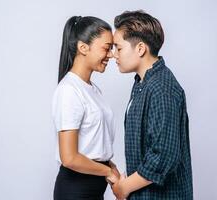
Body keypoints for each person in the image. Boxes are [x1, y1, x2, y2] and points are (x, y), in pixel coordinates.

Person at [111, 10, 193, 199]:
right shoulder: (142, 83)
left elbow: (163, 155)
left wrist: (125, 187)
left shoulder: (161, 88)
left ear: (140, 48)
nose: (114, 55)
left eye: (119, 48)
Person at [52, 16, 120, 200]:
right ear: (83, 48)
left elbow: (93, 145)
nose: (112, 55)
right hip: (76, 190)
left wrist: (111, 166)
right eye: (106, 48)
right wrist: (107, 171)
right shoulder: (69, 90)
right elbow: (70, 158)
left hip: (93, 189)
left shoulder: (92, 89)